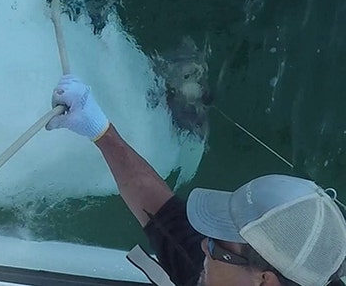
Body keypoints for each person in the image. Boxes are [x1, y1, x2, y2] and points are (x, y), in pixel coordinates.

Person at [47, 74, 346, 286]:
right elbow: (159, 210)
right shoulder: (223, 272)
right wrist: (100, 130)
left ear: (264, 281)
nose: (203, 247)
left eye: (217, 247)